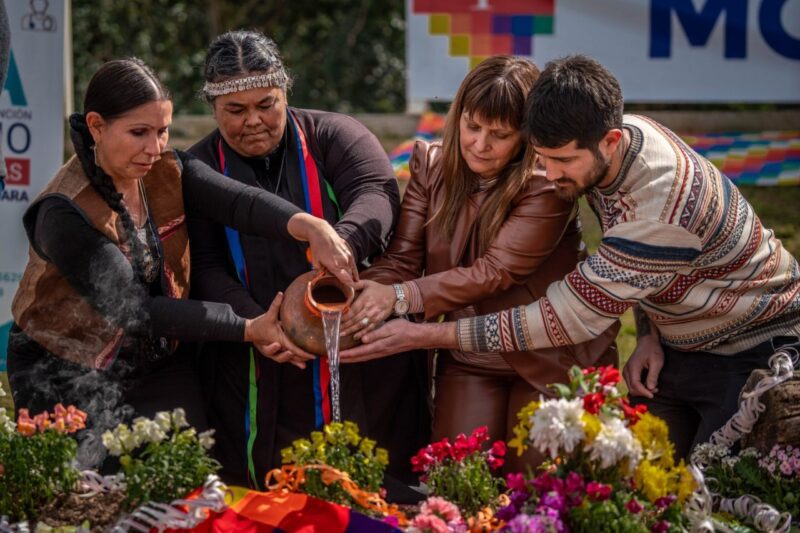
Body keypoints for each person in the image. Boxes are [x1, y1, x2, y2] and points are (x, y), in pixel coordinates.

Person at [343, 55, 800, 461]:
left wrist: (423, 333)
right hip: (680, 345)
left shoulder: (656, 205)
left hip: (752, 342)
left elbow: (565, 318)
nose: (549, 172)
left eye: (561, 160)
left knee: (719, 490)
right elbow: (652, 269)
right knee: (650, 488)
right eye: (541, 156)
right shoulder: (613, 142)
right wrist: (650, 334)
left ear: (610, 141)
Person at [7, 58, 355, 469]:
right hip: (66, 368)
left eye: (162, 131)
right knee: (88, 492)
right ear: (97, 126)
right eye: (139, 133)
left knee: (186, 476)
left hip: (157, 355)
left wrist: (310, 226)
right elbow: (135, 310)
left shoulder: (167, 168)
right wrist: (247, 327)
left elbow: (238, 202)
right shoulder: (63, 212)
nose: (154, 148)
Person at [338, 56, 619, 472]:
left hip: (551, 355)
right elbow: (402, 258)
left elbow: (494, 272)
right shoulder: (431, 164)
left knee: (538, 487)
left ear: (527, 136)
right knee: (458, 477)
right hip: (467, 352)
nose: (480, 144)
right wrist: (355, 296)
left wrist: (397, 296)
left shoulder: (546, 182)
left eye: (500, 134)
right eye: (472, 126)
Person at [186, 30, 428, 492]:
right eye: (235, 110)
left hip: (355, 338)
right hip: (260, 350)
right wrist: (259, 323)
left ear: (286, 92)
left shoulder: (335, 137)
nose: (253, 121)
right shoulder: (199, 169)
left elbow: (377, 195)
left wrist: (341, 243)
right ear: (212, 107)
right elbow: (205, 264)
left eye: (267, 105)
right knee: (272, 495)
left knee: (376, 484)